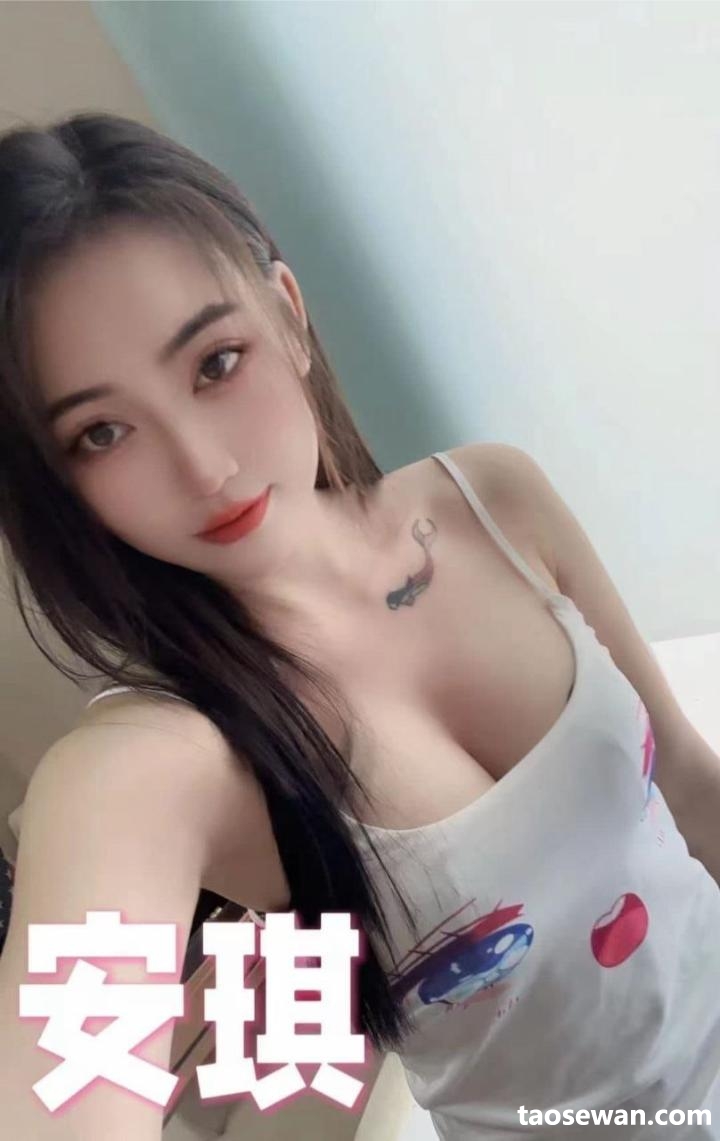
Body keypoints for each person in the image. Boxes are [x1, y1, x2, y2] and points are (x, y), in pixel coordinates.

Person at [0, 111, 719, 1141]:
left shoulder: (493, 502)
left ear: (289, 317)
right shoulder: (152, 763)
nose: (205, 466)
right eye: (103, 431)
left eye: (216, 362)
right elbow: (61, 1100)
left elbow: (688, 784)